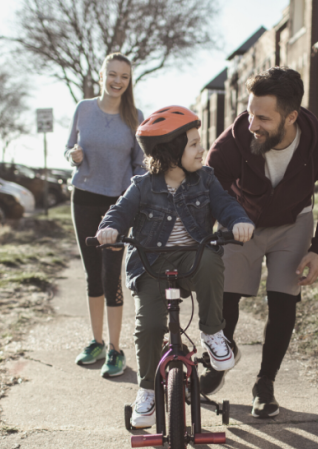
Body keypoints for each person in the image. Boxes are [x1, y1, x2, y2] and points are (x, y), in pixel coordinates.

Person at [203, 67, 318, 418]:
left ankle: (265, 384)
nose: (252, 123)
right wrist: (200, 237)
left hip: (292, 223)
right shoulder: (232, 141)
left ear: (291, 116)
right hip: (241, 221)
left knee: (284, 299)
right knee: (226, 294)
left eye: (263, 118)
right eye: (250, 112)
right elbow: (207, 189)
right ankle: (220, 360)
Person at [96, 106, 255, 428]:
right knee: (151, 326)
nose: (202, 149)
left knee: (211, 257)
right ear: (170, 153)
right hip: (151, 263)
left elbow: (226, 205)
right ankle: (147, 391)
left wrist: (238, 221)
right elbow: (119, 212)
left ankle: (212, 333)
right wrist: (109, 229)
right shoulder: (142, 186)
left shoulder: (206, 180)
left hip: (191, 257)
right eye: (194, 144)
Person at [65, 53, 146, 378]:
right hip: (83, 197)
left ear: (129, 81)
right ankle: (96, 341)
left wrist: (136, 196)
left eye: (124, 77)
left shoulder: (134, 116)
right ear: (102, 75)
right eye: (112, 75)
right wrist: (73, 155)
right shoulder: (84, 109)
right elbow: (69, 147)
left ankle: (115, 349)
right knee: (92, 273)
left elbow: (140, 162)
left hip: (117, 205)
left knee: (112, 274)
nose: (117, 81)